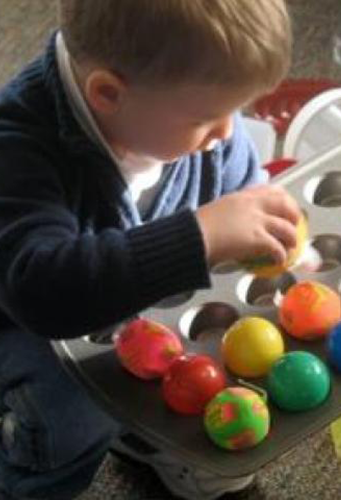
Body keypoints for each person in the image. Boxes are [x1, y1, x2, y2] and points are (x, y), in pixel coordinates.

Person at [0, 1, 301, 498]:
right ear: (108, 94)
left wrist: (262, 228)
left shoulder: (183, 111)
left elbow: (236, 181)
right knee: (72, 413)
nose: (228, 132)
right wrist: (201, 234)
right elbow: (42, 291)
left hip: (131, 299)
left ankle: (144, 440)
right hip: (30, 326)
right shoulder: (17, 148)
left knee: (211, 337)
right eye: (208, 117)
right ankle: (33, 474)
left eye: (236, 110)